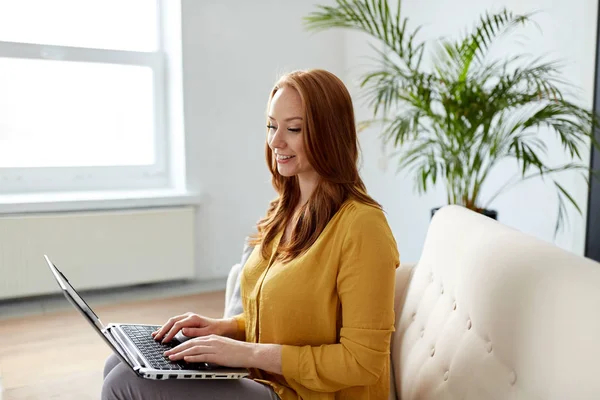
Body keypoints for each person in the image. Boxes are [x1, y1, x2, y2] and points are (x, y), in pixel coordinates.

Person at [101, 69, 400, 400]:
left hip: (301, 395)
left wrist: (245, 354)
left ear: (328, 134)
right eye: (272, 126)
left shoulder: (363, 228)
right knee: (119, 362)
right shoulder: (285, 209)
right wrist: (223, 328)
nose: (275, 141)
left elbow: (361, 363)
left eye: (294, 129)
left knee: (123, 384)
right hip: (264, 379)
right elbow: (286, 318)